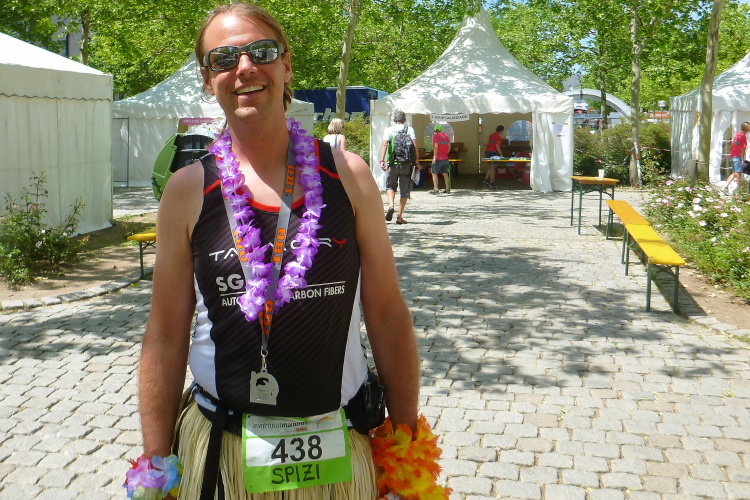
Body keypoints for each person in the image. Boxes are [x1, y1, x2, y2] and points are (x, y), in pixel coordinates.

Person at [133, 4, 429, 500]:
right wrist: (156, 466)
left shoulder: (349, 175)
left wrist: (407, 454)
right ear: (208, 79)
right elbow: (165, 335)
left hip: (340, 447)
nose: (245, 67)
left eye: (262, 51)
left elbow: (386, 312)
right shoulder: (187, 191)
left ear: (286, 65)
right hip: (223, 455)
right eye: (224, 58)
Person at [379, 110, 419, 224]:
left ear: (394, 120)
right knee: (404, 191)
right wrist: (417, 162)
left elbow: (384, 144)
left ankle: (391, 206)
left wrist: (382, 160)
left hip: (392, 163)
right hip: (406, 164)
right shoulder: (409, 129)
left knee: (390, 186)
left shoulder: (389, 130)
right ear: (404, 119)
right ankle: (399, 217)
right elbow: (415, 146)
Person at [727, 121, 750, 192]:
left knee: (735, 173)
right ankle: (739, 191)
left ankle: (725, 187)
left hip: (733, 156)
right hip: (737, 157)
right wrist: (743, 159)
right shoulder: (743, 137)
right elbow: (743, 149)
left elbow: (733, 145)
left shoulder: (737, 135)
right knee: (738, 174)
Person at [430, 124, 451, 194]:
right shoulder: (446, 136)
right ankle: (447, 188)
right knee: (445, 173)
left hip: (438, 158)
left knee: (434, 173)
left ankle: (436, 188)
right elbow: (449, 146)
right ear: (441, 129)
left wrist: (435, 156)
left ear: (435, 130)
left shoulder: (435, 136)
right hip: (445, 158)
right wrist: (446, 153)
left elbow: (436, 146)